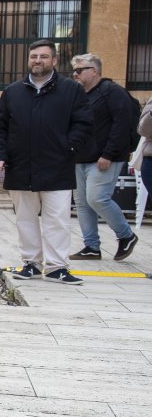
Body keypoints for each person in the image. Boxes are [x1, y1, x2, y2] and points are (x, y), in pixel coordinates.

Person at [0, 39, 92, 285]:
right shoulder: (12, 91)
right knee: (25, 219)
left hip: (57, 166)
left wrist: (69, 147)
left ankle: (57, 267)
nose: (38, 61)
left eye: (44, 56)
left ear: (54, 61)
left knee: (57, 219)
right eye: (34, 56)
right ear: (29, 59)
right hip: (20, 166)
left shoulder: (71, 90)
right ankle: (31, 264)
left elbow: (84, 123)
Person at [68, 54, 138, 261]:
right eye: (74, 70)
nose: (75, 74)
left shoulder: (113, 92)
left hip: (105, 158)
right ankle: (91, 246)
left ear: (94, 71)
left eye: (79, 70)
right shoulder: (81, 95)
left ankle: (126, 235)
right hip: (80, 158)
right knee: (81, 203)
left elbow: (122, 125)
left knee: (97, 198)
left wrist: (108, 154)